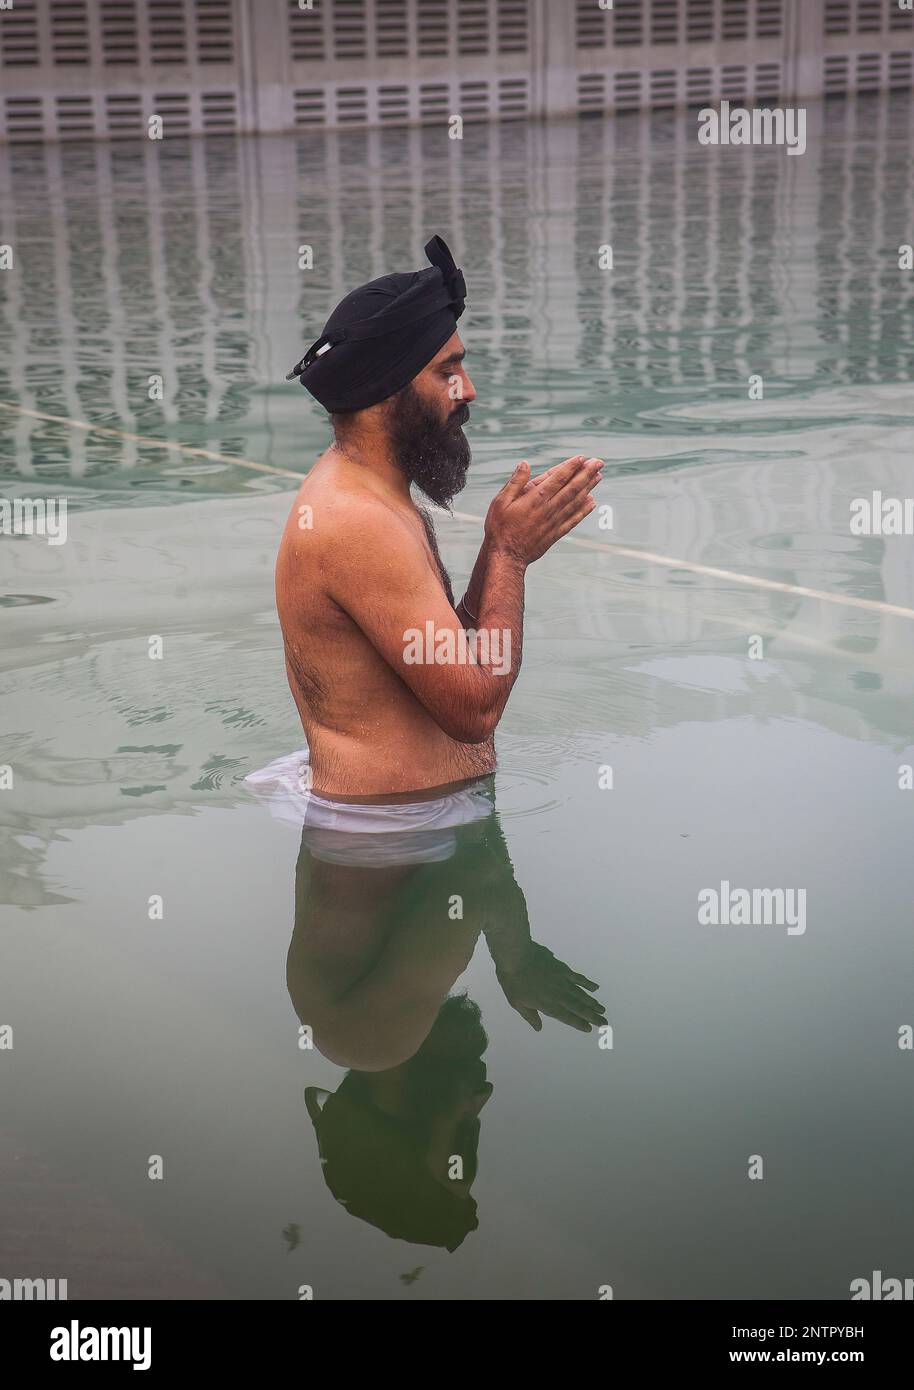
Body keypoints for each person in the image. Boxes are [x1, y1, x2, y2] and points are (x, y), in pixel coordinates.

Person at [274, 235, 603, 801]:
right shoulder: (353, 520)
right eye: (447, 372)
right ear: (389, 388)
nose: (468, 390)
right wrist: (509, 555)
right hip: (383, 840)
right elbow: (473, 709)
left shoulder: (376, 492)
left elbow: (442, 655)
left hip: (411, 823)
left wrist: (497, 545)